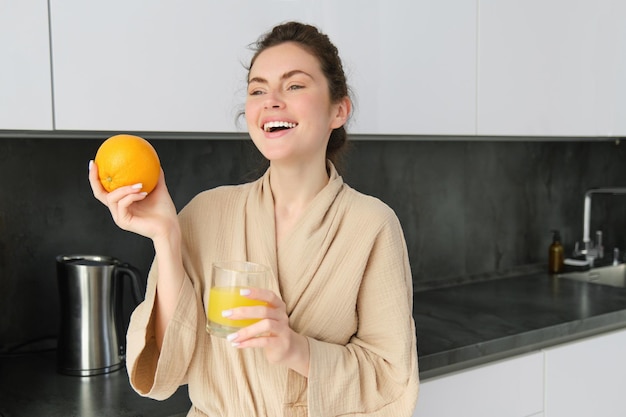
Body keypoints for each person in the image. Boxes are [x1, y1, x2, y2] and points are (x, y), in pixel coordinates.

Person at [89, 21, 419, 417]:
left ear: (339, 109)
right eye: (258, 90)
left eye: (294, 86)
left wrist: (297, 349)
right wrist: (165, 234)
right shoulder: (205, 213)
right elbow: (171, 363)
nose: (271, 101)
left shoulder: (372, 226)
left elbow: (391, 378)